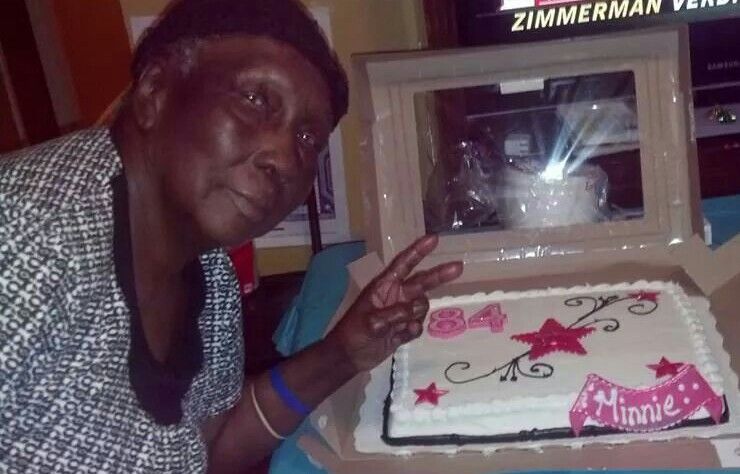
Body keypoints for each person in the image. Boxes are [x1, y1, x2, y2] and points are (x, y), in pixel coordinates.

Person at [0, 0, 463, 472]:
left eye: (308, 140)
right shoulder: (25, 239)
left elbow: (211, 443)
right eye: (255, 100)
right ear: (155, 91)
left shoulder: (211, 274)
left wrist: (342, 354)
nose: (284, 157)